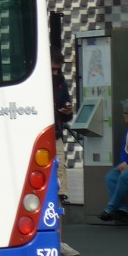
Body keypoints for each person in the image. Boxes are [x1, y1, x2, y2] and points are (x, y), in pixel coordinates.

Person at [98, 97, 128, 223]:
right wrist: (125, 162)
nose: (123, 115)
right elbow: (124, 149)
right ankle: (121, 210)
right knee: (111, 176)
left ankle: (110, 209)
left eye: (125, 112)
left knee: (125, 175)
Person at [51, 57, 73, 203]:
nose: (55, 73)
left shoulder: (61, 84)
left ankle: (62, 193)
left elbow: (67, 107)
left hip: (56, 130)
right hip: (48, 128)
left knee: (60, 162)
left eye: (58, 69)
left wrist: (67, 112)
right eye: (52, 69)